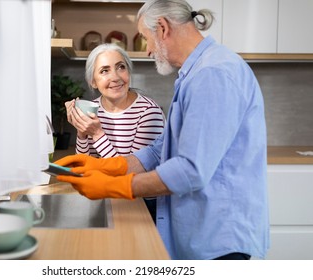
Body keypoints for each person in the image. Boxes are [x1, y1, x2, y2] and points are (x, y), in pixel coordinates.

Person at [55, 0, 269, 260]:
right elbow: (161, 150)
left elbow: (190, 171)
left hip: (218, 239)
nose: (147, 52)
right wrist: (108, 167)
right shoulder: (194, 74)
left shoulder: (213, 75)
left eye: (146, 40)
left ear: (164, 28)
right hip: (200, 234)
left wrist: (116, 185)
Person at [64, 43, 165, 222]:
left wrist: (97, 134)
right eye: (104, 71)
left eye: (121, 67)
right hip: (107, 195)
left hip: (142, 206)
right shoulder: (95, 108)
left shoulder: (149, 112)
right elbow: (85, 166)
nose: (115, 77)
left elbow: (133, 176)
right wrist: (81, 132)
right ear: (93, 81)